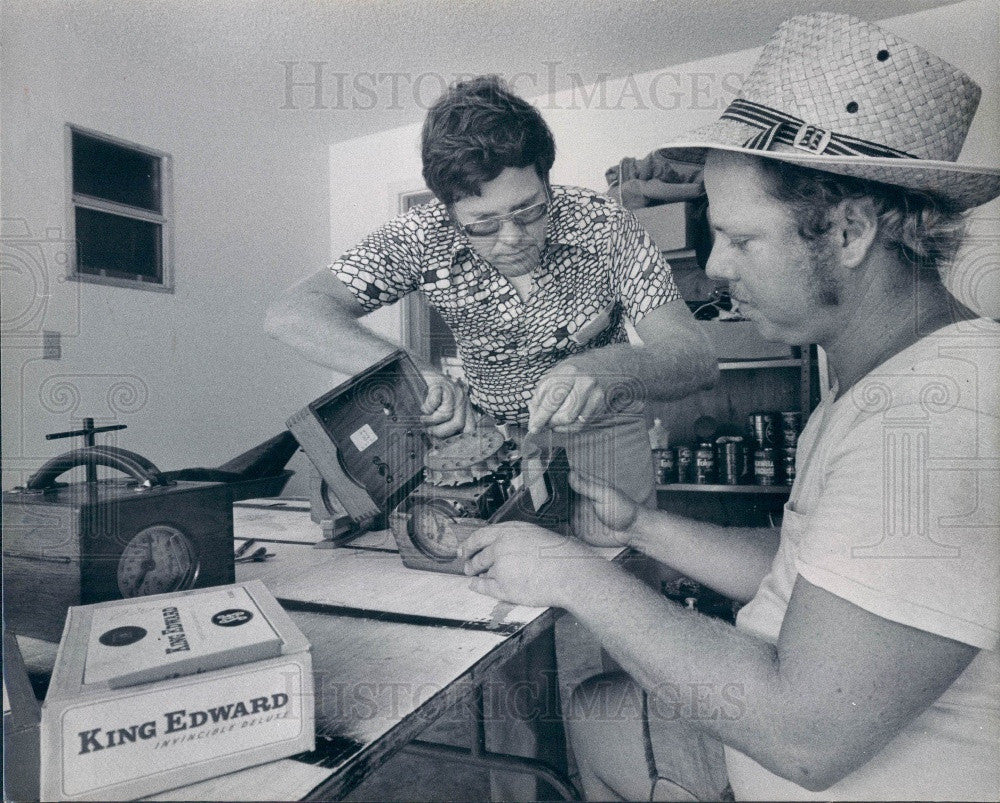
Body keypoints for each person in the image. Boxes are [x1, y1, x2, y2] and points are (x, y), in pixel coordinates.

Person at [460, 13, 999, 801]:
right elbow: (805, 569)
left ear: (848, 231)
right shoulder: (879, 381)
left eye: (741, 240)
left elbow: (806, 736)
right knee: (600, 706)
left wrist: (574, 575)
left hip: (814, 760)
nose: (713, 269)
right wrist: (641, 528)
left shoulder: (935, 417)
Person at [266, 75, 717, 519]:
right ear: (447, 209)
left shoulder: (606, 225)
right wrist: (415, 375)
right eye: (483, 223)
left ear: (546, 179)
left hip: (603, 426)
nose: (513, 238)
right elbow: (293, 315)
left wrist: (606, 367)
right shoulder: (420, 236)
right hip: (490, 441)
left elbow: (696, 357)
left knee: (619, 561)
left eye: (529, 209)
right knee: (501, 573)